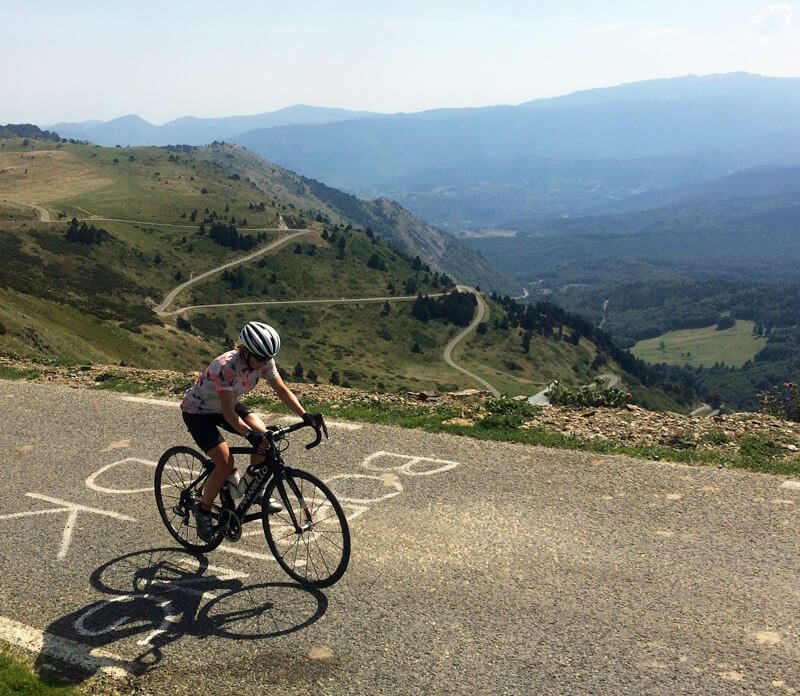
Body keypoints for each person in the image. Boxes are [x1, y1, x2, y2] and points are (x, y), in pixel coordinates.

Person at [180, 320, 320, 542]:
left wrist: (305, 415)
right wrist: (248, 435)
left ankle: (253, 490)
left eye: (268, 359)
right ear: (244, 351)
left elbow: (282, 391)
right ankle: (204, 510)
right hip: (199, 412)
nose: (264, 363)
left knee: (267, 437)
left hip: (224, 404)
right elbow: (228, 414)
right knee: (225, 462)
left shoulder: (263, 361)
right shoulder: (227, 367)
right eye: (260, 359)